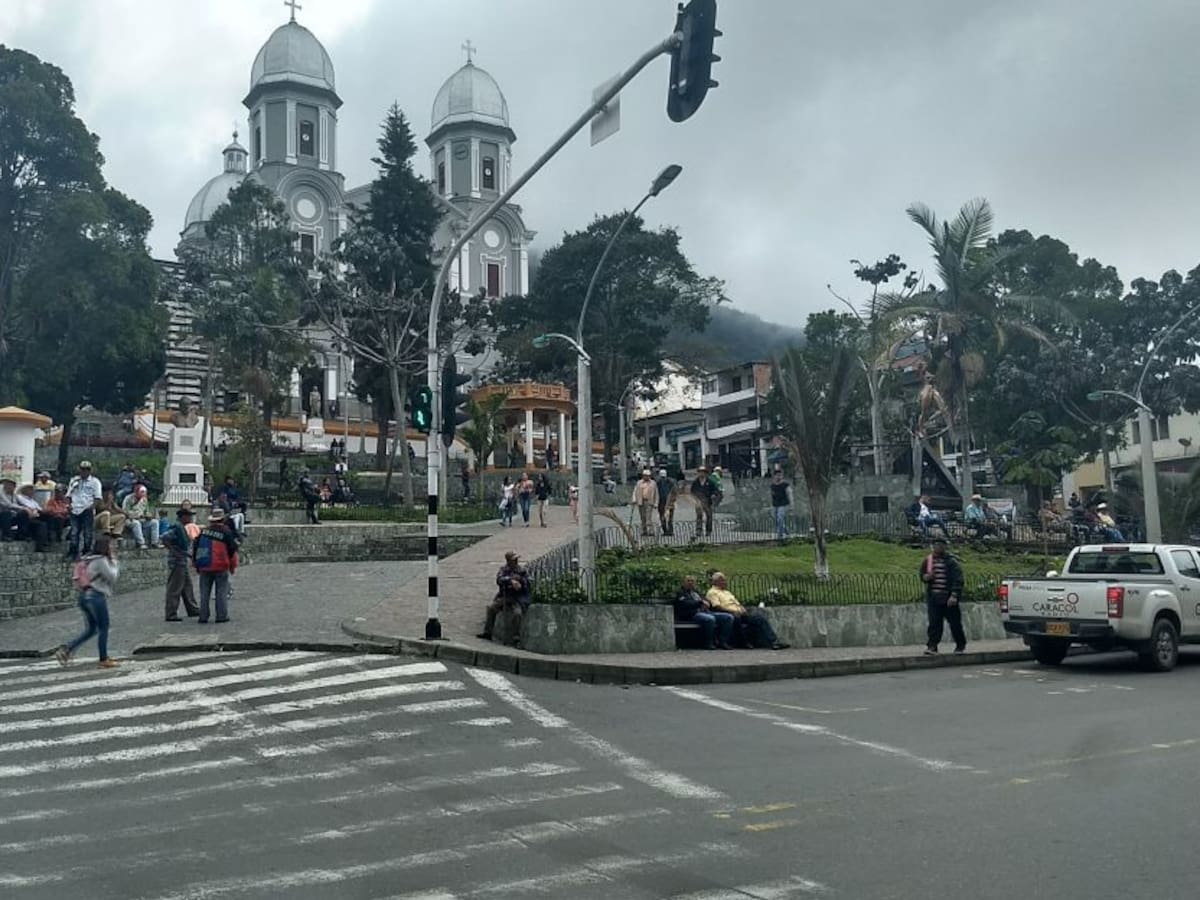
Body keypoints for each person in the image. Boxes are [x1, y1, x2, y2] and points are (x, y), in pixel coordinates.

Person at [54, 535, 120, 669]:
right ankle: (103, 658)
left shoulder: (88, 560)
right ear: (105, 547)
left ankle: (67, 649)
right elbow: (112, 577)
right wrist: (115, 562)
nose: (113, 547)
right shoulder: (101, 560)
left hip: (84, 597)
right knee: (104, 628)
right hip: (96, 597)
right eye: (111, 545)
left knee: (92, 629)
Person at [705, 572, 789, 650]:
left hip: (740, 613)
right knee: (736, 619)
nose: (725, 582)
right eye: (722, 580)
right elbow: (717, 606)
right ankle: (743, 643)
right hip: (727, 613)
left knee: (759, 619)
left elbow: (736, 603)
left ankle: (773, 642)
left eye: (724, 580)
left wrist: (742, 609)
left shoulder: (727, 592)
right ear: (716, 582)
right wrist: (732, 611)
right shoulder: (712, 592)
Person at [921, 537, 966, 655]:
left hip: (948, 598)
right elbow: (922, 574)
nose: (937, 547)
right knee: (934, 623)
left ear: (944, 547)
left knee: (955, 623)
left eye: (940, 545)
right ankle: (932, 646)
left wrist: (954, 595)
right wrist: (925, 578)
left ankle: (960, 645)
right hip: (934, 597)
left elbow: (958, 579)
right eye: (935, 545)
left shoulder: (951, 562)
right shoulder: (928, 560)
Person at [193, 508, 239, 624]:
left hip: (204, 565)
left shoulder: (203, 532)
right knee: (221, 591)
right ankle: (221, 616)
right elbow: (232, 548)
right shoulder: (226, 531)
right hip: (221, 565)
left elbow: (195, 548)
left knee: (204, 593)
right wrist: (231, 564)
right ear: (222, 519)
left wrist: (196, 564)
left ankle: (203, 616)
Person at [477, 551, 531, 643]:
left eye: (516, 559)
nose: (516, 561)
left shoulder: (522, 571)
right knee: (491, 608)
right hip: (505, 596)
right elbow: (499, 579)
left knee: (517, 613)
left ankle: (516, 636)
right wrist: (510, 581)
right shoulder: (504, 570)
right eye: (514, 560)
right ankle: (488, 632)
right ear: (509, 561)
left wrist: (520, 582)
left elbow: (528, 582)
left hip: (517, 598)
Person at [674, 575, 734, 650]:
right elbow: (685, 604)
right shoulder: (680, 593)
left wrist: (707, 603)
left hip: (706, 612)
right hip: (691, 614)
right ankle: (709, 643)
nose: (690, 583)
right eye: (688, 581)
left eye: (692, 581)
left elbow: (706, 600)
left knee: (728, 617)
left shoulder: (696, 592)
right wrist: (700, 603)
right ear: (683, 583)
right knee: (710, 619)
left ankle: (723, 641)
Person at [162, 506, 200, 621]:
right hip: (177, 561)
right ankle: (171, 613)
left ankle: (192, 609)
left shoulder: (181, 528)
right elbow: (164, 538)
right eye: (188, 515)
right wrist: (173, 550)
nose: (190, 517)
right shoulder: (176, 528)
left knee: (187, 586)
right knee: (175, 588)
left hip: (182, 560)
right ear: (182, 517)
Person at [64, 460, 104, 560]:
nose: (84, 471)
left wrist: (91, 507)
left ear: (90, 471)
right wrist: (68, 505)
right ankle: (73, 551)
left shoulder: (95, 482)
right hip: (75, 509)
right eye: (82, 469)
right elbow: (68, 494)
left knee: (87, 532)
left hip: (87, 508)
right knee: (74, 532)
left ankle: (87, 551)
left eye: (87, 469)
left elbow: (98, 497)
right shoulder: (74, 480)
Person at [121, 484, 161, 550]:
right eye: (141, 493)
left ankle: (155, 542)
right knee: (136, 523)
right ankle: (141, 543)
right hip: (129, 519)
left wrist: (148, 515)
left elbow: (146, 511)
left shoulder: (144, 499)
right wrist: (137, 515)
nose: (143, 495)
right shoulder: (128, 498)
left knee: (155, 522)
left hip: (142, 519)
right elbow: (125, 512)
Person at [13, 484, 50, 551]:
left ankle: (44, 542)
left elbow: (39, 509)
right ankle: (23, 534)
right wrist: (31, 510)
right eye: (30, 489)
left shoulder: (33, 501)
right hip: (24, 517)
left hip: (35, 516)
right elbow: (24, 506)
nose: (32, 491)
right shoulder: (19, 497)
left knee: (44, 522)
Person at [632, 469, 658, 537]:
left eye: (648, 476)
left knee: (648, 517)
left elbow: (656, 493)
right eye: (645, 476)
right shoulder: (639, 483)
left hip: (649, 501)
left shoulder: (653, 483)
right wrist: (634, 499)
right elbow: (635, 491)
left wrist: (656, 503)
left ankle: (650, 531)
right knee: (642, 517)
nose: (646, 477)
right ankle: (644, 530)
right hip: (641, 501)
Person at [690, 466, 714, 536]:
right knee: (699, 516)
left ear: (706, 473)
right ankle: (699, 530)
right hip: (699, 501)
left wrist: (713, 495)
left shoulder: (710, 482)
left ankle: (708, 530)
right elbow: (692, 491)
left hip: (707, 501)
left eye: (703, 472)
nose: (701, 474)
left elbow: (715, 490)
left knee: (709, 516)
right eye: (700, 472)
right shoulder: (696, 482)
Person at [770, 469, 792, 540]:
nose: (778, 477)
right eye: (777, 475)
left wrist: (791, 504)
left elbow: (789, 494)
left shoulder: (785, 485)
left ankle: (780, 536)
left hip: (783, 504)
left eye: (780, 475)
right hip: (775, 504)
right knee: (777, 520)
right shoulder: (772, 485)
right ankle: (786, 531)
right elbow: (772, 496)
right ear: (774, 476)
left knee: (780, 518)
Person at [656, 469, 676, 536]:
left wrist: (672, 500)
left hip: (669, 501)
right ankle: (665, 530)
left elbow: (674, 492)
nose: (663, 478)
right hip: (661, 501)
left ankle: (670, 531)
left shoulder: (671, 482)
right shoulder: (658, 482)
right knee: (662, 516)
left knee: (670, 517)